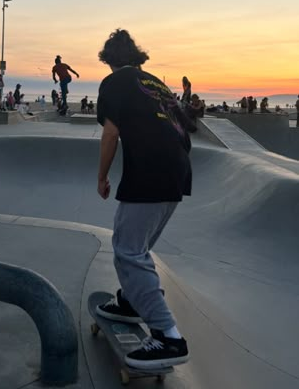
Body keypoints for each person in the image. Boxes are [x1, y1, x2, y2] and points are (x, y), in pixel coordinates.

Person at [95, 29, 190, 370]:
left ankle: (168, 336)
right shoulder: (156, 83)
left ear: (110, 61)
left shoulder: (114, 83)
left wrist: (103, 176)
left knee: (128, 250)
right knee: (134, 244)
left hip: (150, 170)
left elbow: (110, 133)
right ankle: (133, 302)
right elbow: (184, 126)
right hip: (178, 170)